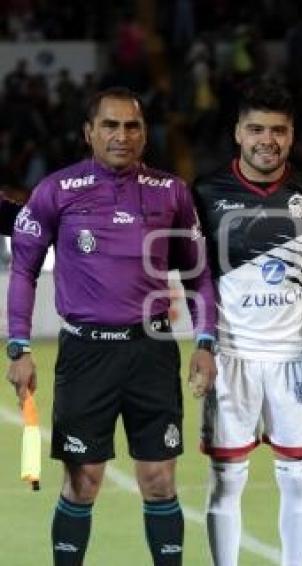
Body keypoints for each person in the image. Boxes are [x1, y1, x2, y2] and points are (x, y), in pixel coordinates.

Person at [6, 86, 217, 566]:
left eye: (132, 126)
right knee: (83, 483)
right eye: (110, 125)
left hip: (152, 353)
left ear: (144, 133)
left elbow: (197, 273)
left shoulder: (172, 193)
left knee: (160, 480)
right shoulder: (56, 191)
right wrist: (18, 346)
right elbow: (22, 270)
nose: (121, 135)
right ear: (89, 132)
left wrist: (206, 340)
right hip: (86, 356)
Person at [192, 79, 302, 566]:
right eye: (256, 129)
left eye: (278, 130)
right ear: (237, 132)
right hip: (231, 356)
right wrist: (204, 341)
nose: (266, 139)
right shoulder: (207, 193)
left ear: (291, 136)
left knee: (297, 476)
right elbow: (198, 277)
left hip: (294, 358)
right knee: (227, 479)